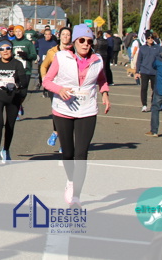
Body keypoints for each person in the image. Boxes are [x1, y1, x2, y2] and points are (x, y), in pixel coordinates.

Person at [42, 24, 110, 206]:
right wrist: (59, 89)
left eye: (89, 41)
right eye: (82, 40)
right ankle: (71, 181)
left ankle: (76, 195)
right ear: (74, 42)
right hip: (63, 109)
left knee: (81, 154)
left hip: (87, 110)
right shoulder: (61, 57)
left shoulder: (98, 60)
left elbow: (102, 78)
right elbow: (47, 81)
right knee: (68, 153)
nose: (86, 44)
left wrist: (105, 93)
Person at [41, 25, 73, 147]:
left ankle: (64, 142)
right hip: (55, 86)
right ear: (59, 36)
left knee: (70, 113)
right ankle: (56, 132)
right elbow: (43, 66)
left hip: (70, 86)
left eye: (68, 35)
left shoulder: (74, 51)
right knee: (57, 112)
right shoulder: (52, 52)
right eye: (63, 34)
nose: (65, 37)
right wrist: (44, 78)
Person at [135, 32, 162, 113]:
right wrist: (137, 71)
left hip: (154, 71)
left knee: (155, 89)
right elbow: (139, 60)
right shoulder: (142, 48)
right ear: (146, 39)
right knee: (144, 88)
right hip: (144, 71)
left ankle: (154, 104)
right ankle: (144, 105)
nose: (150, 40)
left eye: (152, 38)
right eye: (149, 38)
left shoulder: (158, 48)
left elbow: (161, 59)